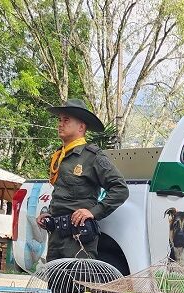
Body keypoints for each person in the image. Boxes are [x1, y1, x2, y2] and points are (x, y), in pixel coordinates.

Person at [37, 99, 129, 261]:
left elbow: (120, 189)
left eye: (66, 120)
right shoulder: (60, 157)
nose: (60, 124)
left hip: (79, 239)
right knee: (56, 285)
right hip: (56, 238)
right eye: (60, 120)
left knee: (80, 284)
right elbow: (64, 193)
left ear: (81, 127)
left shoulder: (92, 156)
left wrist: (93, 212)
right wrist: (48, 214)